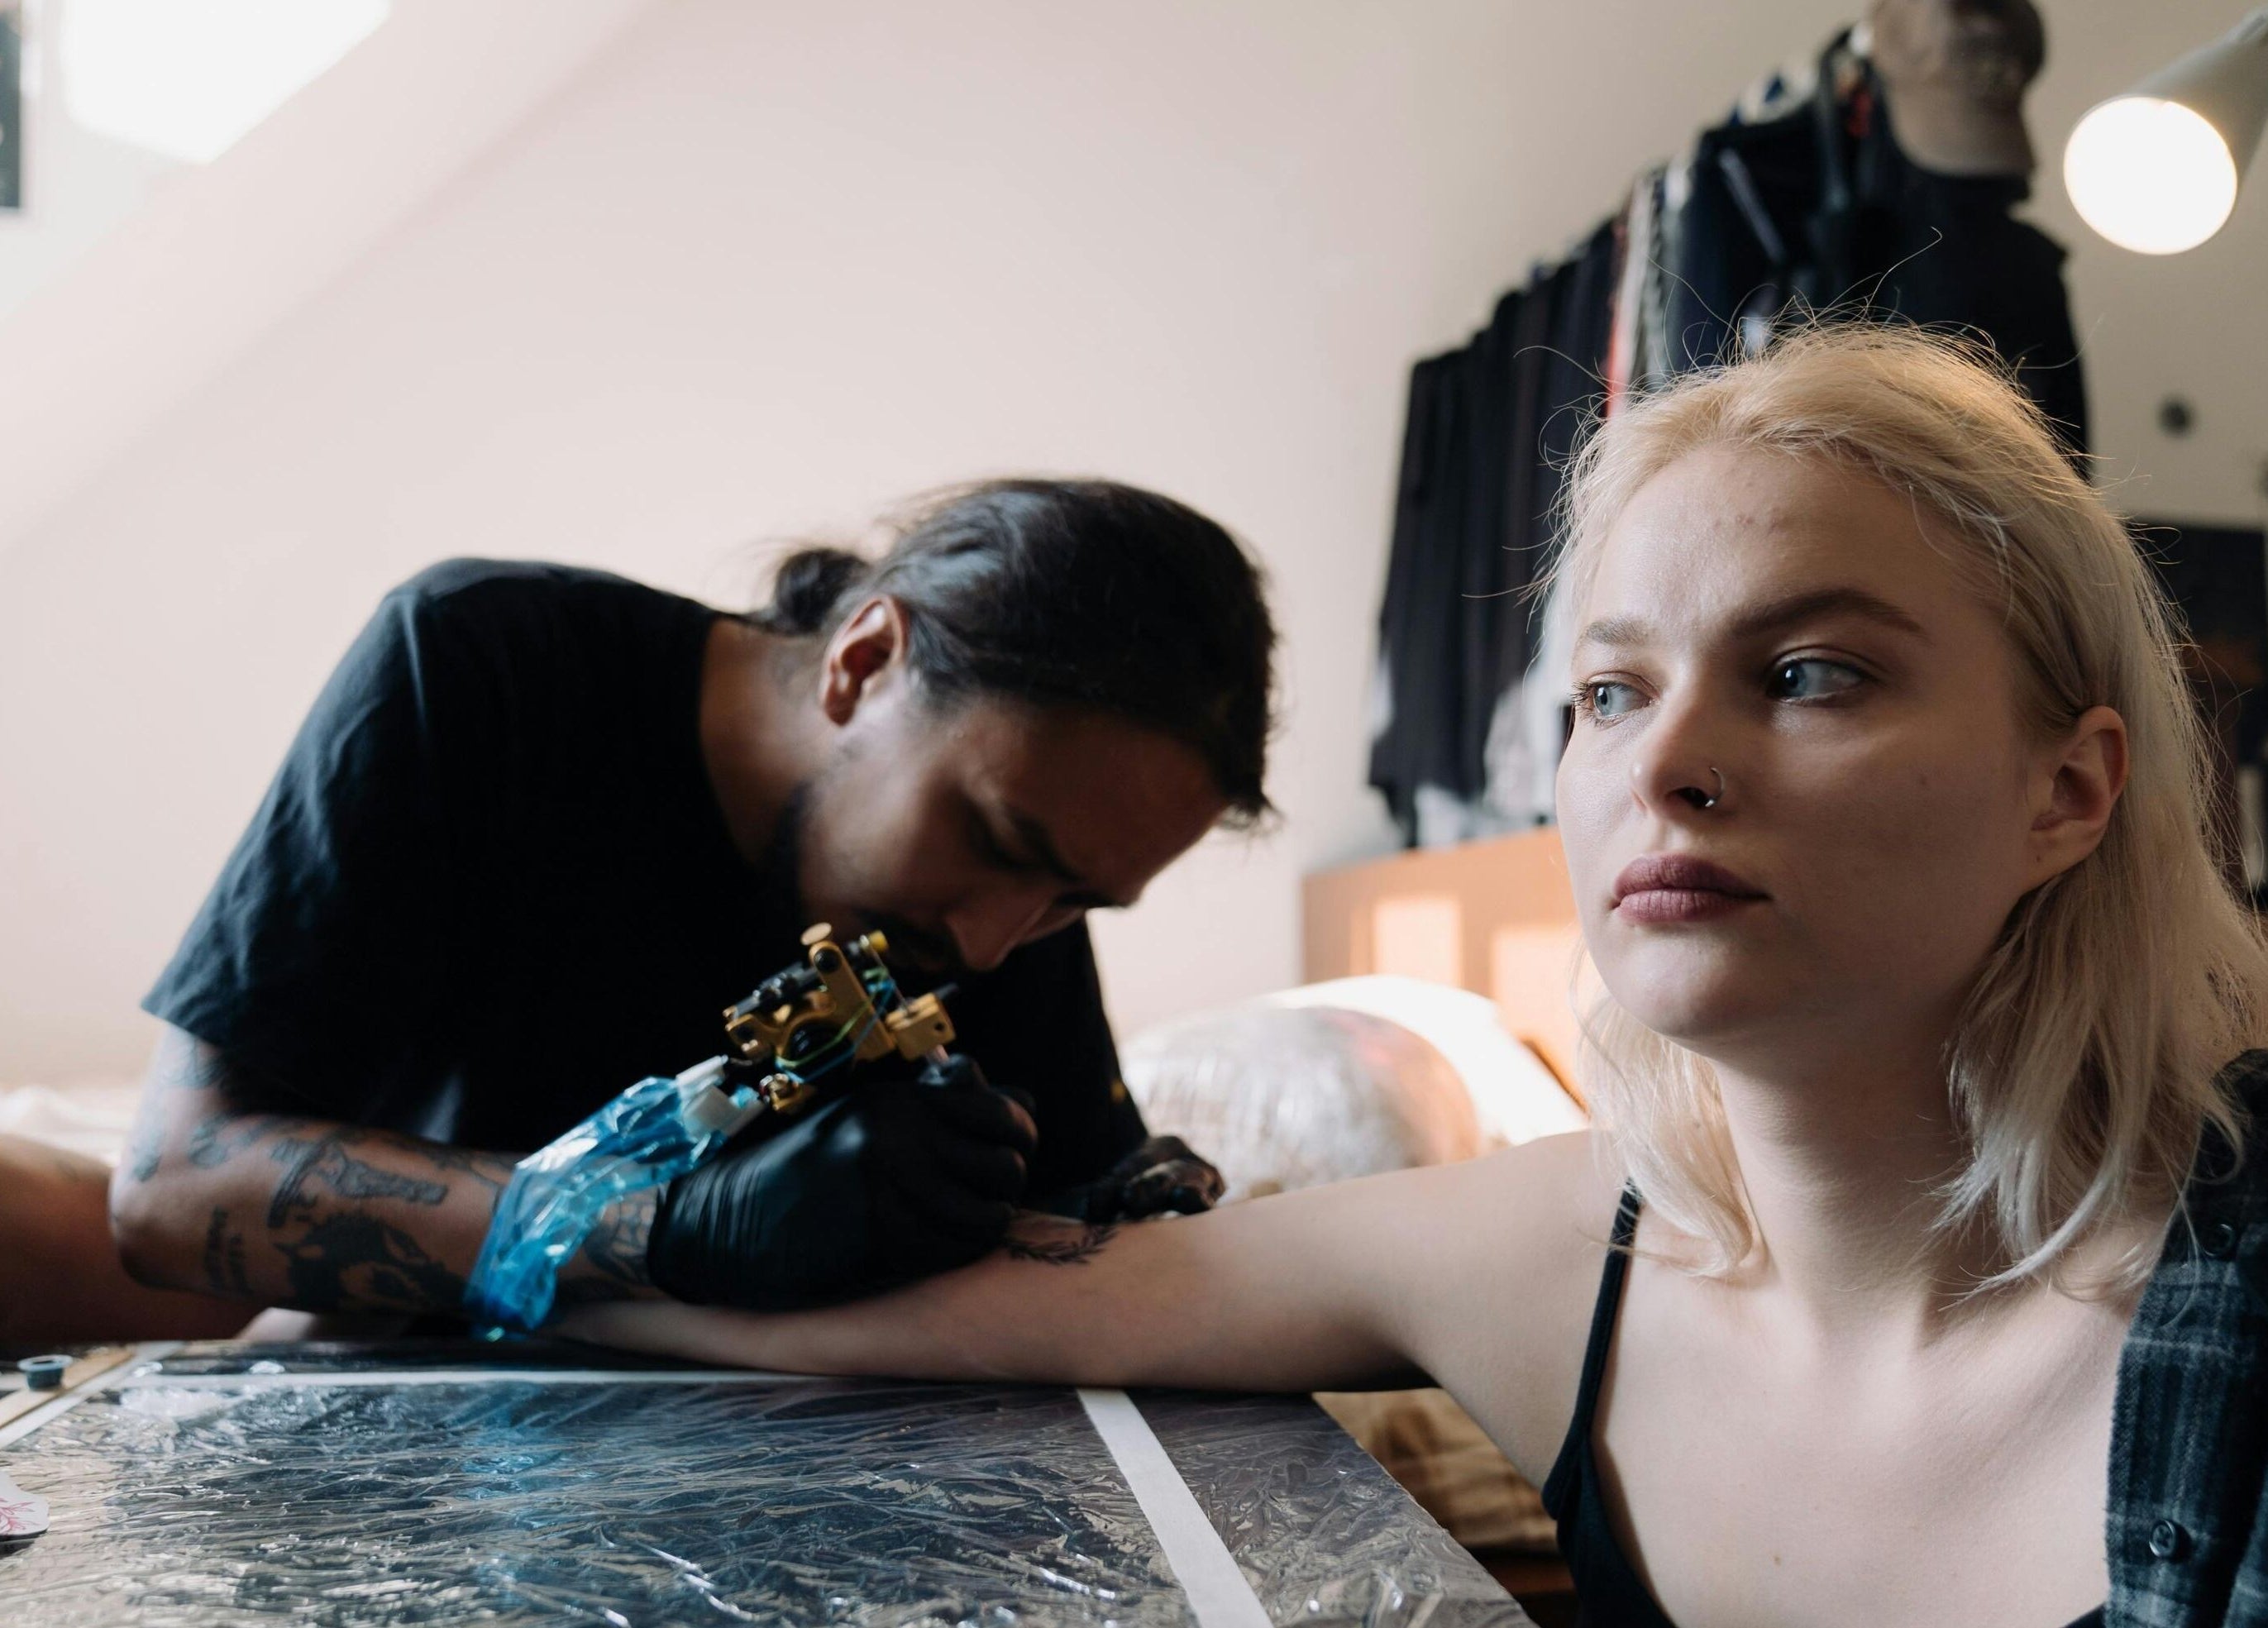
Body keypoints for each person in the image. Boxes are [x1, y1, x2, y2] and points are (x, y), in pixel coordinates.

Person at [563, 327, 2268, 1627]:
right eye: (1609, 691)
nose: (1662, 758)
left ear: (2068, 788)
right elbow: (962, 1302)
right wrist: (520, 1240)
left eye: (1809, 671)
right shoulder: (1539, 1249)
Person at [108, 479, 1276, 1325]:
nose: (988, 942)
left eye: (1076, 901)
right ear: (864, 662)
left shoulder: (1009, 886)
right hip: (416, 1437)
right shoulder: (484, 668)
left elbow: (1092, 1207)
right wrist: (667, 1228)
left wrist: (1119, 1207)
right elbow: (172, 1189)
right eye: (992, 836)